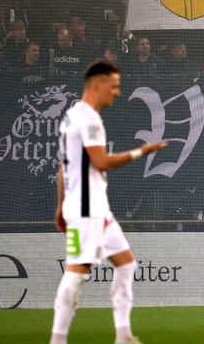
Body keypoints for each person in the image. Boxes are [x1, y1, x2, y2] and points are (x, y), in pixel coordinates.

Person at [51, 61, 167, 344]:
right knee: (77, 271)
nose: (117, 93)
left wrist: (60, 206)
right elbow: (101, 161)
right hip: (87, 208)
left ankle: (123, 333)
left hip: (91, 207)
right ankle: (57, 339)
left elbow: (64, 167)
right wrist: (142, 151)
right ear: (97, 85)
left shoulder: (71, 117)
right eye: (113, 87)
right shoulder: (89, 118)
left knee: (126, 264)